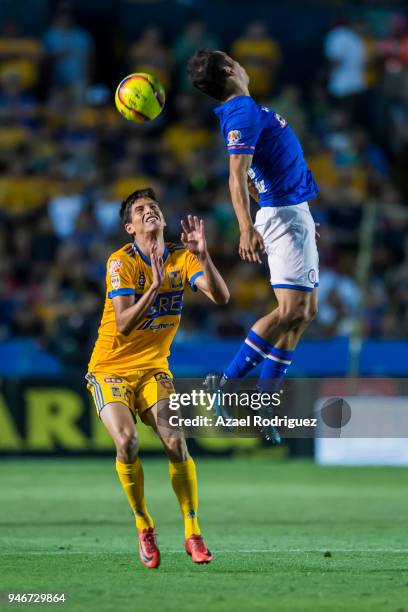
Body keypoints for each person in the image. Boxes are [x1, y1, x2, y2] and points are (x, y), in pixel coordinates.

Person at [86, 187, 229, 568]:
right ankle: (144, 524)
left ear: (162, 219)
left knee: (174, 440)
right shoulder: (121, 261)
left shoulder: (182, 258)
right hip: (110, 368)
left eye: (154, 207)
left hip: (153, 368)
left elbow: (221, 297)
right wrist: (153, 284)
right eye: (140, 210)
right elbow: (124, 323)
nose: (149, 211)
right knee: (127, 442)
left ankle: (193, 532)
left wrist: (204, 255)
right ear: (130, 228)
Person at [187, 50, 319, 440]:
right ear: (229, 70)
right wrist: (247, 227)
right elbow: (235, 175)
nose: (245, 64)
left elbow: (250, 176)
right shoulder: (242, 110)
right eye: (236, 61)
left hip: (293, 211)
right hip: (282, 215)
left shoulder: (245, 111)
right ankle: (225, 384)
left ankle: (265, 400)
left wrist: (299, 216)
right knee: (290, 308)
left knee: (305, 312)